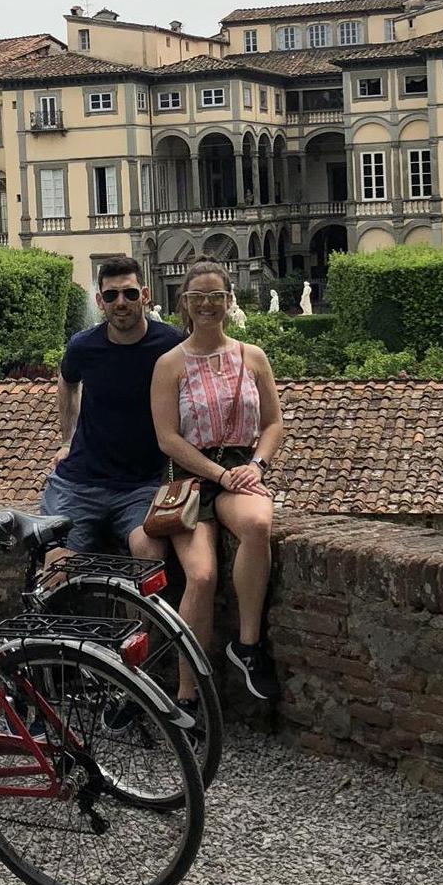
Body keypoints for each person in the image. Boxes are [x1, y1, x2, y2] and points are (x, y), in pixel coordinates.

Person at [149, 259, 285, 703]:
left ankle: (247, 646)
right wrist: (219, 473)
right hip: (191, 477)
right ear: (184, 303)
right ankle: (186, 695)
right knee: (202, 576)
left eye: (216, 297)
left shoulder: (252, 357)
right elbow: (168, 438)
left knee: (258, 526)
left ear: (229, 302)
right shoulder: (169, 364)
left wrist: (257, 465)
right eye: (197, 297)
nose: (207, 305)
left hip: (242, 469)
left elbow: (273, 423)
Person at [41, 254, 183, 558]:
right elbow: (67, 382)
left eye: (130, 293)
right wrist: (67, 439)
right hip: (78, 483)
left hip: (141, 485)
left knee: (150, 553)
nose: (121, 302)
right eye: (111, 295)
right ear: (100, 300)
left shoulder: (171, 344)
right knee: (57, 563)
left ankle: (139, 608)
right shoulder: (83, 346)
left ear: (145, 295)